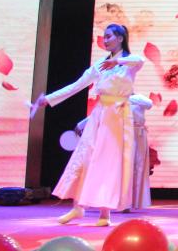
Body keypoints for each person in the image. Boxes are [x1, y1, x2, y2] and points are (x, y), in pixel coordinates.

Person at [28, 24, 143, 226]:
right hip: (100, 114)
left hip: (117, 117)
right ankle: (77, 207)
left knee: (110, 161)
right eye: (104, 37)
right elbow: (77, 85)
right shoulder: (99, 65)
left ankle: (105, 213)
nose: (105, 40)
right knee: (85, 156)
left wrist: (117, 61)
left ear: (120, 38)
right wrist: (49, 99)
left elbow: (140, 60)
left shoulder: (128, 62)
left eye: (109, 36)